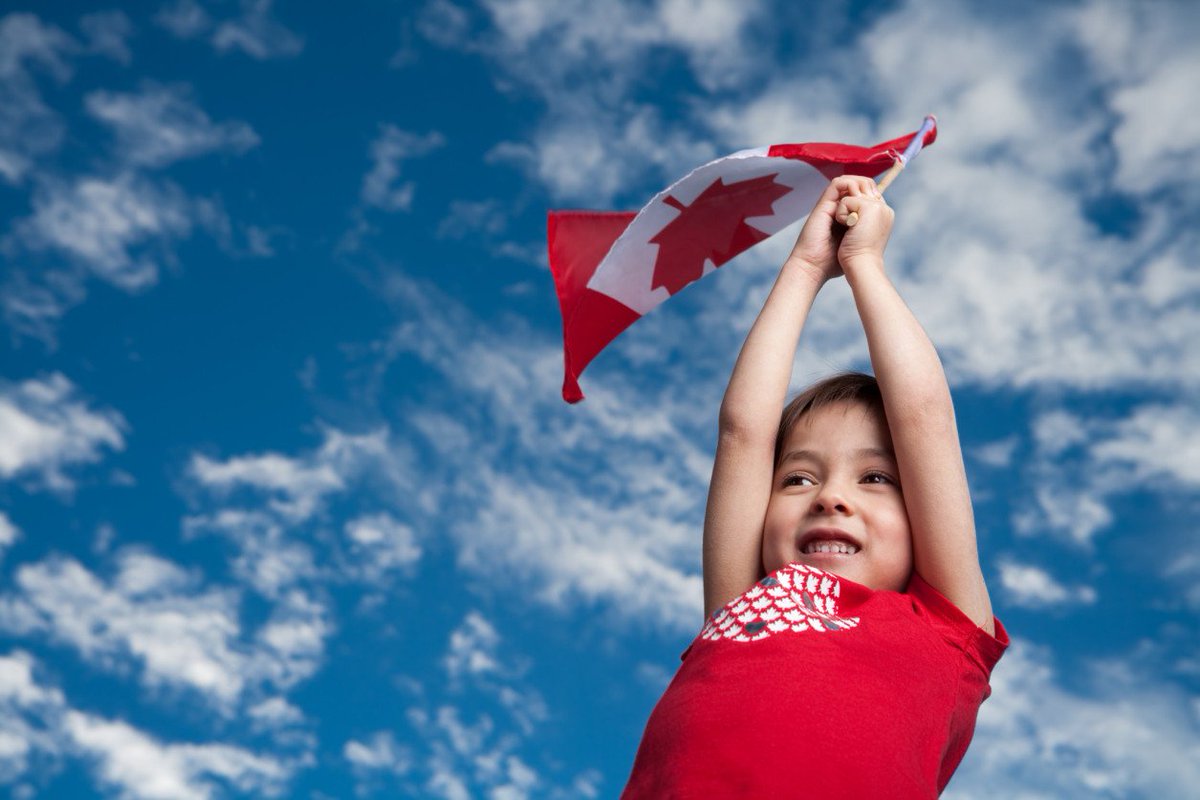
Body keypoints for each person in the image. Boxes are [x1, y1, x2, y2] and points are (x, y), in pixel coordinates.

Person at [621, 176, 1008, 798]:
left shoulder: (947, 624)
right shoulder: (744, 609)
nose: (830, 496)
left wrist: (862, 265)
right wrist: (803, 267)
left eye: (876, 478)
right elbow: (743, 433)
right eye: (797, 477)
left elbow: (924, 418)